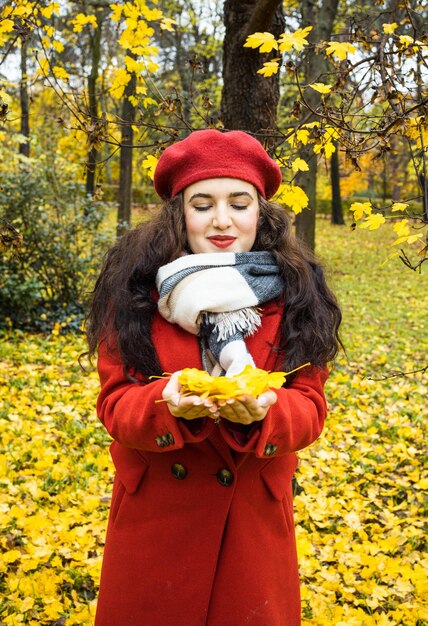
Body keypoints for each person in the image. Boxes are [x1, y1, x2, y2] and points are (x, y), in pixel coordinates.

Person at [87, 129, 342, 626]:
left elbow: (309, 406)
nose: (222, 220)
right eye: (202, 204)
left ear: (260, 212)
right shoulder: (137, 289)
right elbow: (114, 404)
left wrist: (265, 414)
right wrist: (167, 401)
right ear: (179, 211)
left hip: (250, 525)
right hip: (157, 523)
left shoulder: (297, 294)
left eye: (239, 203)